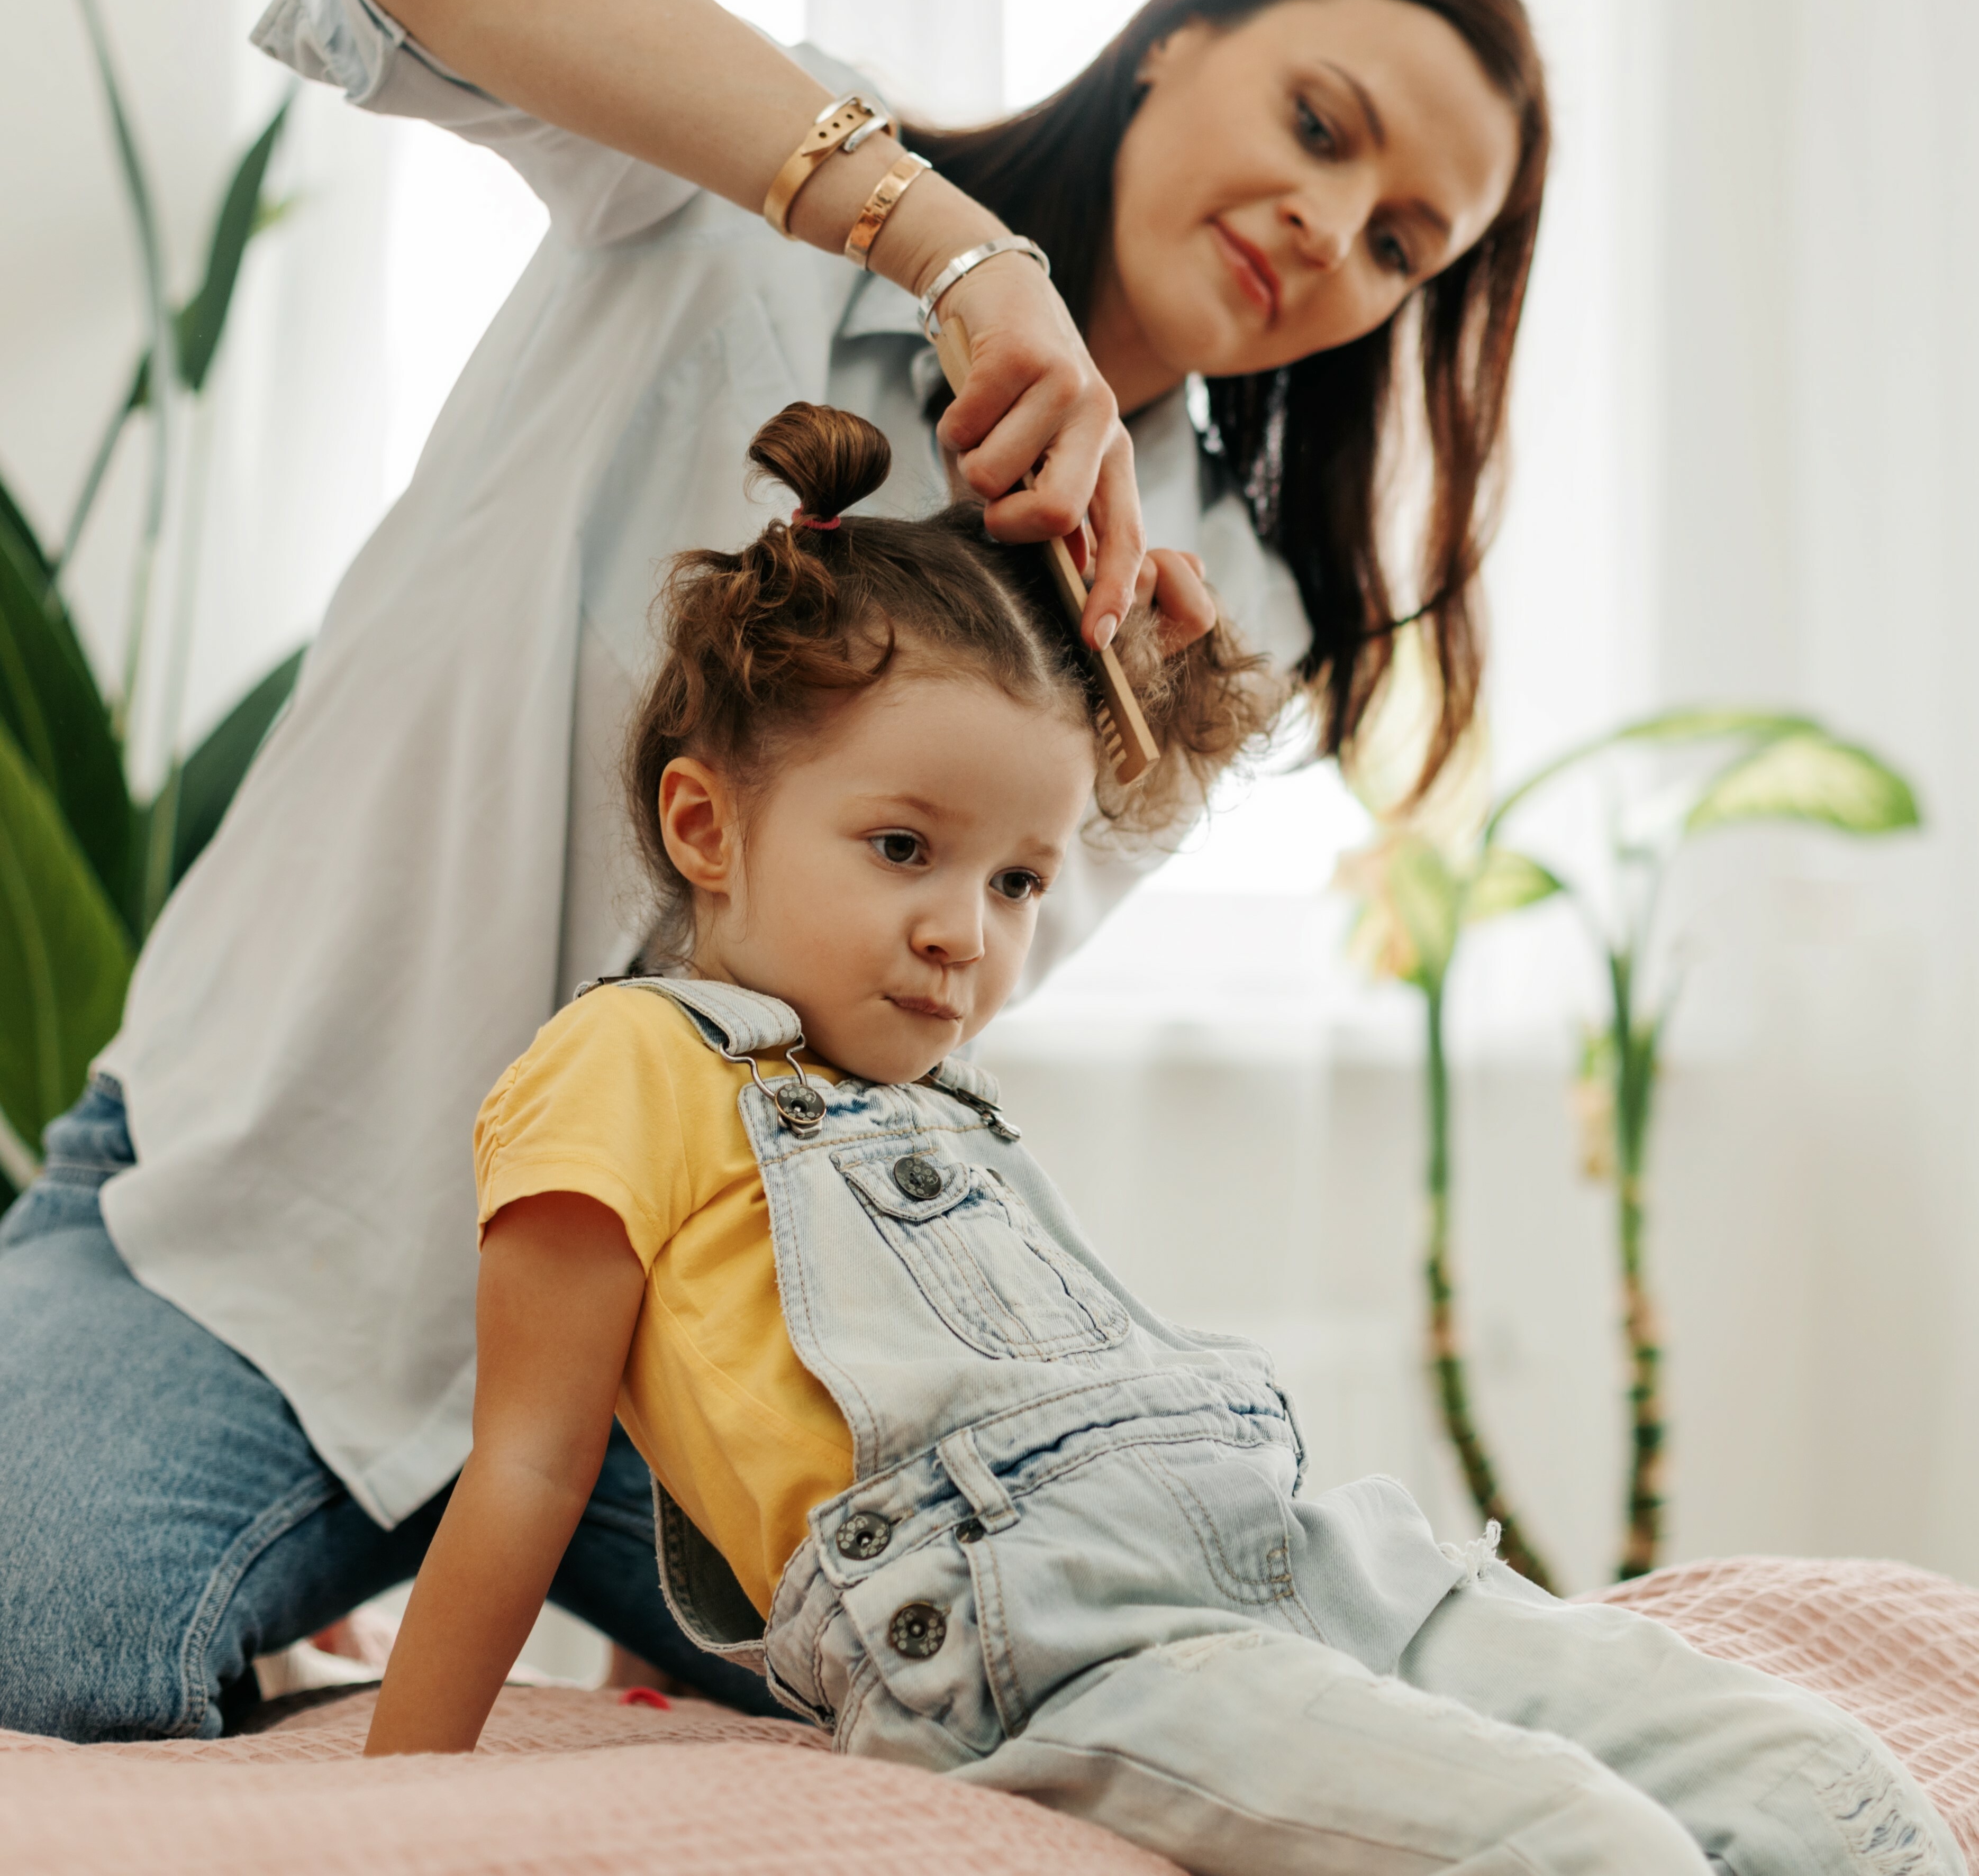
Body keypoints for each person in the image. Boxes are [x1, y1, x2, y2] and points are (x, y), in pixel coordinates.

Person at [0, 0, 1542, 1741]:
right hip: (258, 1231)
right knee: (35, 1651)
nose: (1328, 228)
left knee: (1132, 1712)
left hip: (709, 1360)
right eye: (1320, 128)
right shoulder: (758, 189)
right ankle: (290, 1632)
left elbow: (886, 1035)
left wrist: (1109, 734)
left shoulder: (1209, 601)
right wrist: (953, 252)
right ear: (1173, 41)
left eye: (1399, 243)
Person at [362, 401, 1959, 1876]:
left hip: (1302, 1547)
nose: (962, 935)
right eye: (903, 847)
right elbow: (529, 1461)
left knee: (1827, 1792)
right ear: (706, 826)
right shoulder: (623, 1060)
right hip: (1045, 1627)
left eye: (1015, 883)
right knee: (1579, 1848)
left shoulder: (930, 1111)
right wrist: (390, 1807)